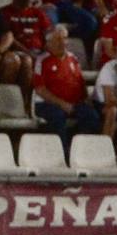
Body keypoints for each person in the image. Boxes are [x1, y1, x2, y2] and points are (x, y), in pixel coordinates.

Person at [34, 25, 100, 154]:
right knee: (57, 116)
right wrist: (62, 104)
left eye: (64, 38)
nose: (63, 43)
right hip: (48, 104)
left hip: (73, 103)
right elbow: (40, 89)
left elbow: (81, 83)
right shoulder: (42, 60)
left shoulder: (73, 58)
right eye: (58, 39)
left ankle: (81, 150)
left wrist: (86, 99)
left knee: (91, 115)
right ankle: (62, 153)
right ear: (48, 43)